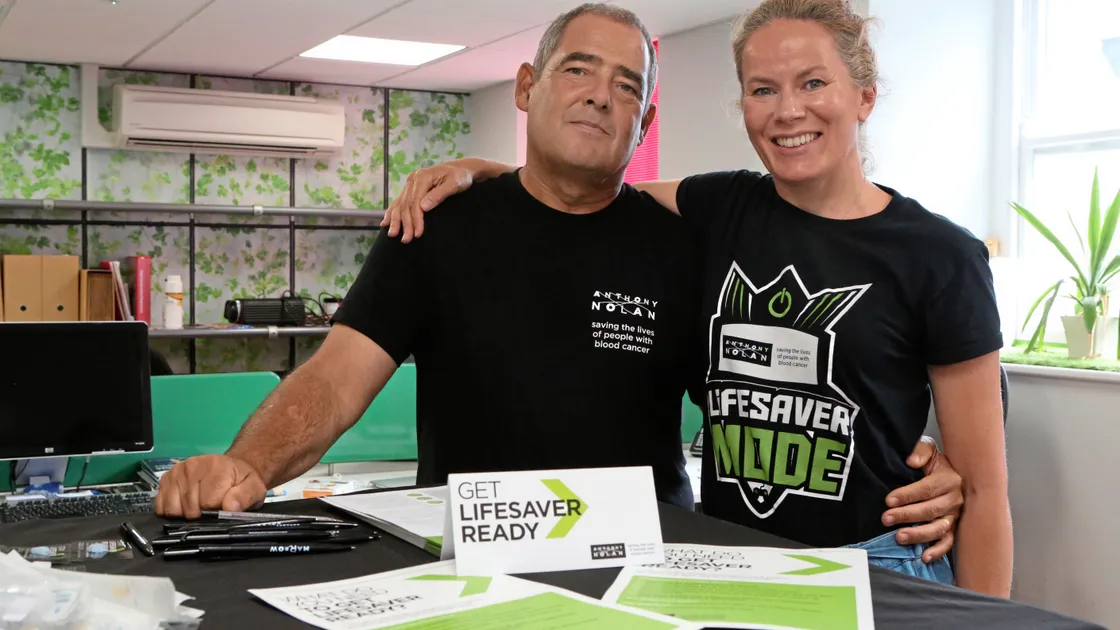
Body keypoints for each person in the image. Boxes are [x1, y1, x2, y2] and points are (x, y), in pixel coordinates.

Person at [156, 1, 962, 570]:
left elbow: (771, 387)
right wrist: (247, 467)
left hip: (648, 570)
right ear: (526, 87)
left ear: (644, 123)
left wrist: (925, 464)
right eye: (579, 69)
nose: (600, 94)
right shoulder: (439, 228)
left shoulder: (685, 244)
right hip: (474, 567)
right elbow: (334, 379)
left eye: (627, 85)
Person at [379, 0, 1009, 595]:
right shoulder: (720, 207)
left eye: (814, 83)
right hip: (729, 560)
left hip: (878, 563)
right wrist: (481, 171)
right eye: (763, 89)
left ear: (865, 96)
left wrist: (986, 614)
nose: (788, 111)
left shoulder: (940, 255)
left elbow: (982, 491)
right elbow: (585, 184)